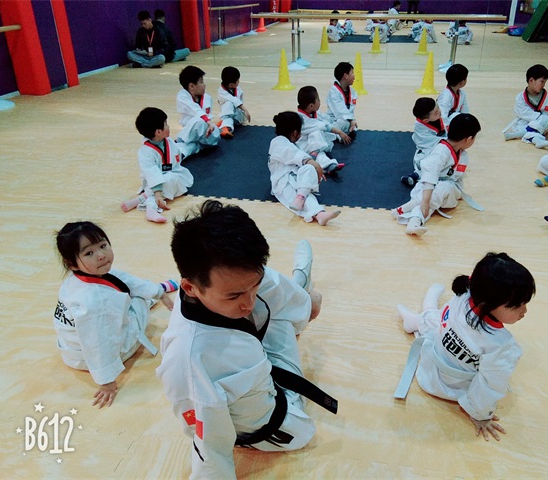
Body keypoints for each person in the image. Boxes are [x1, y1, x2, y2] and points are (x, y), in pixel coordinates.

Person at [156, 200, 338, 478]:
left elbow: (292, 303)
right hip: (272, 427)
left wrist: (302, 304)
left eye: (255, 285)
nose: (248, 302)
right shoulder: (188, 360)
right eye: (234, 296)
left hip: (256, 365)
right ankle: (301, 278)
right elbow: (207, 445)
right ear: (190, 288)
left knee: (306, 302)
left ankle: (301, 282)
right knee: (292, 306)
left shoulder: (240, 277)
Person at [394, 252, 535, 441]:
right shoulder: (502, 346)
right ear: (488, 303)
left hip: (431, 366)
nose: (524, 311)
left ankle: (418, 315)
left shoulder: (463, 298)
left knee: (439, 318)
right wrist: (480, 415)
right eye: (517, 306)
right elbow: (490, 385)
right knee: (440, 320)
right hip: (453, 388)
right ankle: (420, 313)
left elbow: (443, 322)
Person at [54, 221, 178, 408]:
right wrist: (106, 381)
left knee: (128, 288)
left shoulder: (76, 280)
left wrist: (159, 293)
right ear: (71, 264)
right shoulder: (96, 303)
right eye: (89, 253)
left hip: (72, 350)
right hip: (92, 358)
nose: (101, 255)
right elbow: (99, 343)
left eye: (103, 245)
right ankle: (153, 294)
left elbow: (123, 280)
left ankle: (155, 291)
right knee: (138, 300)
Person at [391, 113, 482, 236]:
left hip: (446, 190)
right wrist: (425, 201)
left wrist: (459, 193)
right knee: (428, 204)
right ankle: (414, 223)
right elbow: (430, 174)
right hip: (428, 187)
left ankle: (407, 207)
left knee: (443, 189)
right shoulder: (441, 151)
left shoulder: (462, 154)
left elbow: (458, 177)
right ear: (469, 139)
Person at [121, 107, 193, 223]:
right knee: (168, 180)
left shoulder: (168, 141)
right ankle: (151, 208)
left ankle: (141, 199)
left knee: (172, 178)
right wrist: (158, 194)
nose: (168, 126)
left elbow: (176, 158)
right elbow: (151, 172)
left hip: (171, 175)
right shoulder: (146, 151)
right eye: (166, 124)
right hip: (155, 182)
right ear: (158, 132)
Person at [268, 112, 342, 226]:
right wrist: (312, 163)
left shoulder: (292, 144)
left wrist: (313, 168)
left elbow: (301, 160)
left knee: (308, 171)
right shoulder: (277, 142)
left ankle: (319, 214)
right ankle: (318, 213)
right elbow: (293, 154)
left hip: (297, 180)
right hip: (283, 183)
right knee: (302, 197)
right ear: (295, 133)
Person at [502, 64, 548, 149]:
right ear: (531, 80)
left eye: (545, 82)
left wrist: (539, 119)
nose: (544, 85)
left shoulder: (547, 97)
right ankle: (537, 140)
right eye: (542, 82)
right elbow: (523, 113)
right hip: (526, 121)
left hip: (541, 122)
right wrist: (537, 118)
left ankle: (521, 134)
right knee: (523, 125)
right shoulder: (520, 97)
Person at [297, 86, 350, 172]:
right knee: (316, 134)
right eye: (318, 99)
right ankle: (328, 165)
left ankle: (324, 160)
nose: (320, 101)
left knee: (344, 123)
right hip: (309, 145)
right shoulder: (302, 120)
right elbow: (324, 126)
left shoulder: (314, 112)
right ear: (311, 106)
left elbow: (326, 120)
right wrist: (339, 132)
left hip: (322, 137)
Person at [400, 97, 447, 187]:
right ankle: (415, 176)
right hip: (427, 149)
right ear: (426, 120)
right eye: (436, 112)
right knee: (424, 164)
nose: (439, 111)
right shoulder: (420, 127)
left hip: (442, 144)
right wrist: (447, 141)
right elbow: (428, 142)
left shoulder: (437, 116)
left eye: (438, 107)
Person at [175, 65, 221, 158]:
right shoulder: (182, 96)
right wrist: (208, 121)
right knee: (191, 146)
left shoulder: (207, 98)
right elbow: (195, 110)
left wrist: (209, 123)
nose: (204, 85)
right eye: (201, 82)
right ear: (192, 86)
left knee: (200, 122)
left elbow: (204, 117)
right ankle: (178, 155)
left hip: (208, 135)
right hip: (192, 135)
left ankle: (179, 141)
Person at [216, 66, 251, 139]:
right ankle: (225, 128)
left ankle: (223, 124)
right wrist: (245, 109)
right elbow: (233, 100)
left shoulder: (237, 88)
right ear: (231, 85)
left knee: (229, 112)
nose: (239, 82)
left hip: (238, 117)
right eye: (238, 80)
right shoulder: (221, 91)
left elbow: (237, 101)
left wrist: (244, 111)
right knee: (229, 103)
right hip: (229, 114)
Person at [325, 62, 359, 137]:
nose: (354, 76)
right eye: (352, 73)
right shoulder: (333, 91)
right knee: (343, 123)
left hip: (346, 119)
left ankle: (339, 134)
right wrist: (351, 119)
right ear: (346, 76)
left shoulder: (352, 92)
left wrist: (352, 121)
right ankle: (329, 135)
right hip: (333, 119)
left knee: (352, 126)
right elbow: (339, 111)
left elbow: (350, 110)